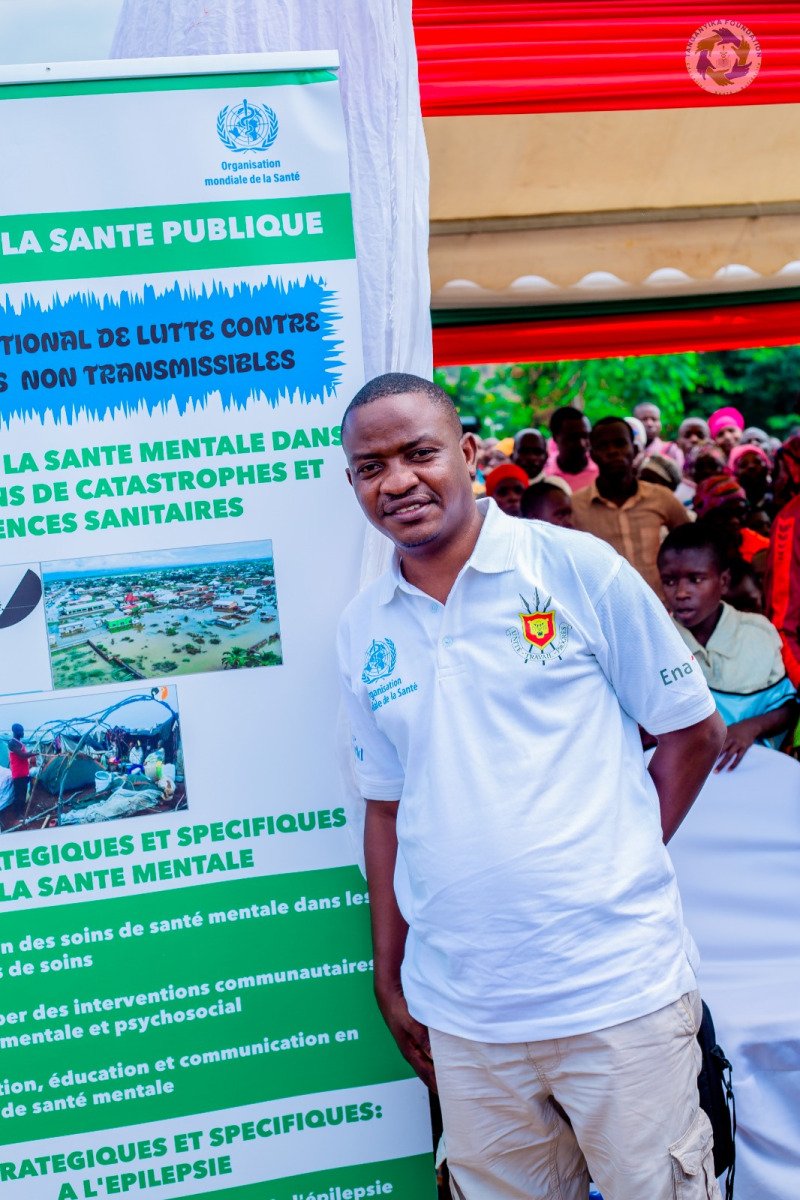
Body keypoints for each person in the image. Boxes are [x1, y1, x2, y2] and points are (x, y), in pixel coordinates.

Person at [338, 372, 725, 1200]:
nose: (398, 481)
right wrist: (389, 971)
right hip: (466, 1015)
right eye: (372, 467)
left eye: (419, 453)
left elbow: (693, 732)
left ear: (467, 452)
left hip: (618, 995)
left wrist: (615, 856)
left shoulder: (573, 568)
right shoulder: (364, 626)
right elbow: (386, 805)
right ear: (353, 482)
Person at [658, 524, 796, 770]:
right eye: (669, 581)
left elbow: (787, 707)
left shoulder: (758, 634)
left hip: (756, 769)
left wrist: (751, 727)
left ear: (723, 581)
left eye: (696, 579)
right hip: (684, 775)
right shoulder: (656, 642)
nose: (681, 593)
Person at [571, 417, 690, 599]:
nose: (613, 451)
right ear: (592, 455)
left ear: (634, 450)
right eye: (603, 446)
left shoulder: (661, 497)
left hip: (661, 606)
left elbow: (691, 544)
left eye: (620, 443)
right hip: (606, 609)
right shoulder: (575, 506)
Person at [693, 474, 770, 571]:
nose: (734, 520)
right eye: (723, 514)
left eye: (740, 510)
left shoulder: (765, 549)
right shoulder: (691, 552)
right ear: (706, 518)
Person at [544, 405, 598, 492]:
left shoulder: (602, 470)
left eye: (586, 436)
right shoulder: (545, 476)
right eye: (573, 438)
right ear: (555, 437)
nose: (581, 444)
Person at [634, 402, 685, 469]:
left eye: (654, 419)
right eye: (644, 419)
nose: (650, 424)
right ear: (635, 422)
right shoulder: (630, 450)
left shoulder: (671, 450)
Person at [7, 723, 36, 820]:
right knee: (19, 795)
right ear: (16, 731)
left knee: (23, 793)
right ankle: (17, 814)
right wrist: (32, 754)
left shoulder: (19, 742)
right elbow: (22, 756)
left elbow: (24, 755)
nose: (23, 733)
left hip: (23, 773)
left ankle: (21, 811)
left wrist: (30, 753)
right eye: (21, 731)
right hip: (18, 774)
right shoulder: (12, 743)